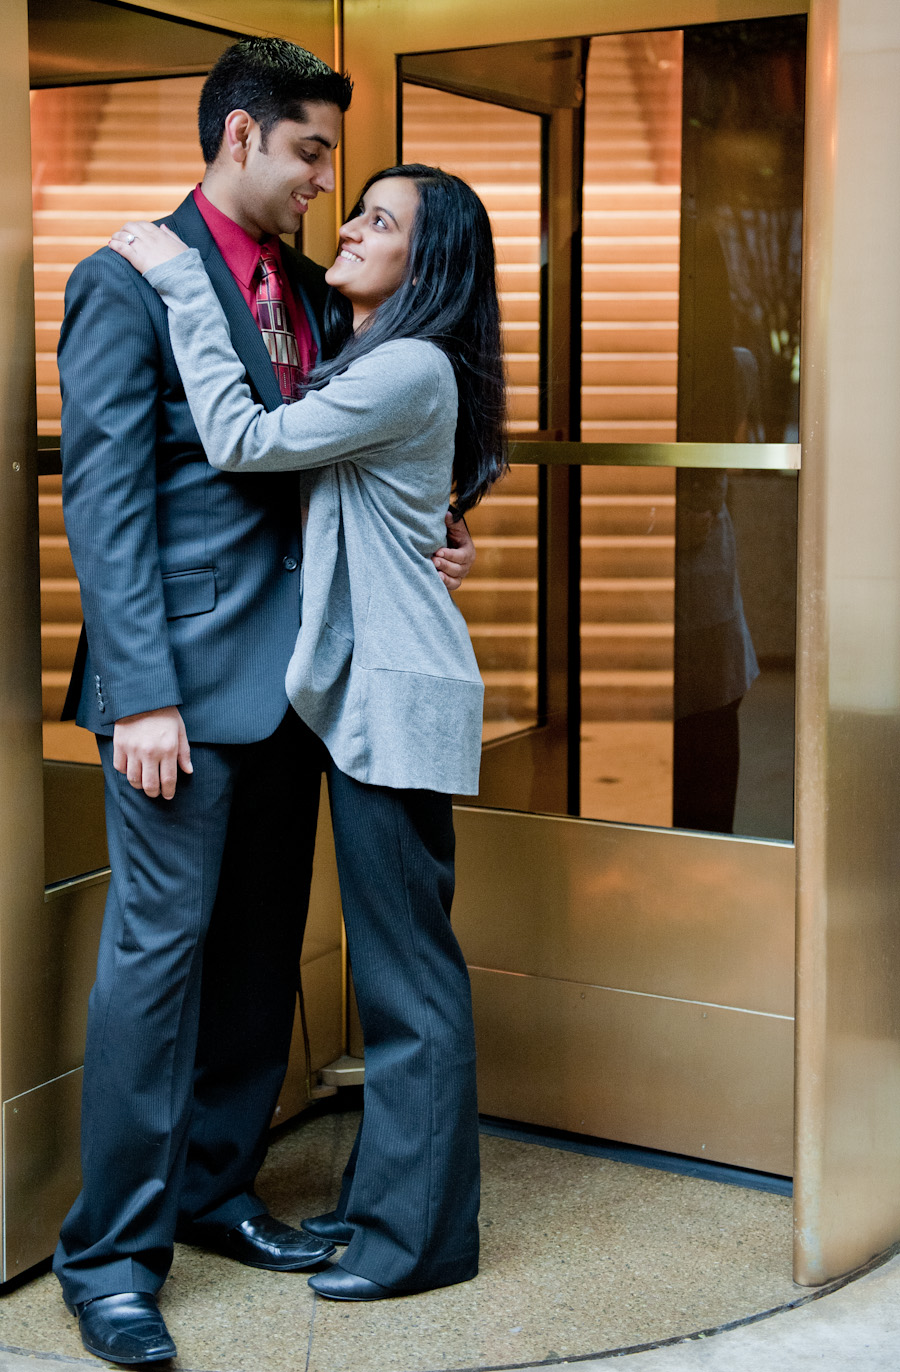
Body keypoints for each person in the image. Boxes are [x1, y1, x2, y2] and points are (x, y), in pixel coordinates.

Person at [54, 39, 475, 1366]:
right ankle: (110, 1260)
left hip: (306, 690)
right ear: (242, 136)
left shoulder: (307, 288)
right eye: (310, 152)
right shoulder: (127, 279)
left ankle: (214, 1191)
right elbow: (105, 502)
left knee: (254, 961)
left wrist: (439, 523)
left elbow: (359, 446)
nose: (323, 184)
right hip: (176, 692)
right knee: (155, 968)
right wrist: (140, 693)